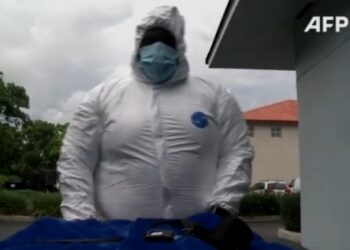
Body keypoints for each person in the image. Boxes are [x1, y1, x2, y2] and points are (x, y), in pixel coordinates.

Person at [57, 6, 254, 225]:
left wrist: (222, 210)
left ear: (179, 48)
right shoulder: (101, 97)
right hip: (116, 237)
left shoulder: (216, 96)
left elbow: (236, 153)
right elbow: (75, 160)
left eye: (166, 42)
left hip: (198, 235)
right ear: (138, 48)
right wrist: (82, 222)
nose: (158, 49)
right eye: (150, 41)